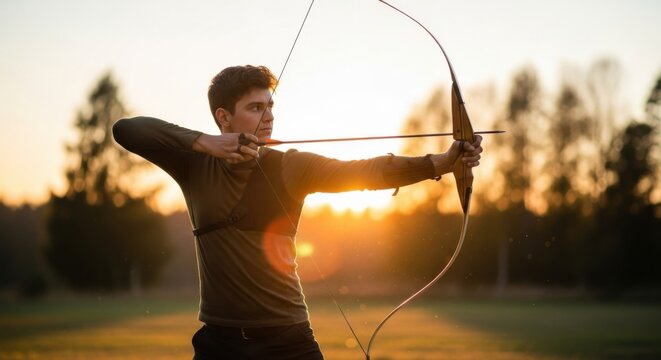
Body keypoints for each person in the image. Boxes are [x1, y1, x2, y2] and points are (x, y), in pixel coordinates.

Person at [112, 65, 483, 360]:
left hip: (286, 340)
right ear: (223, 117)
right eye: (256, 108)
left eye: (270, 105)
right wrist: (204, 143)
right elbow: (127, 129)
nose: (268, 116)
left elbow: (364, 171)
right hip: (218, 342)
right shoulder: (193, 165)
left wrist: (441, 162)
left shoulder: (290, 166)